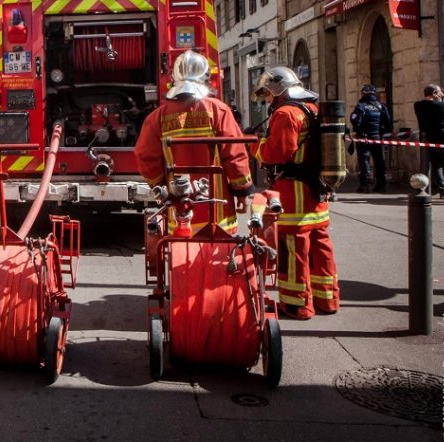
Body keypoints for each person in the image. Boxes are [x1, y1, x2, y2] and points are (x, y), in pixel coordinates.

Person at [252, 66, 338, 320]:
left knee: (293, 249)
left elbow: (277, 153)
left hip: (294, 193)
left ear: (278, 90)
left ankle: (296, 305)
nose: (268, 100)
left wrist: (258, 147)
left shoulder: (286, 113)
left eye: (268, 94)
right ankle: (328, 299)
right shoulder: (313, 109)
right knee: (321, 246)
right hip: (317, 192)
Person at [135, 50, 253, 235]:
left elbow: (145, 156)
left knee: (181, 256)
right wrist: (242, 191)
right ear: (205, 77)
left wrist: (162, 186)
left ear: (174, 78)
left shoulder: (157, 117)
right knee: (218, 260)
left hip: (180, 212)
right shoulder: (219, 110)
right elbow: (234, 153)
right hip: (218, 214)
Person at [413, 84, 444, 200]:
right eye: (439, 92)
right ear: (435, 93)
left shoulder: (417, 105)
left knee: (437, 165)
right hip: (441, 139)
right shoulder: (440, 105)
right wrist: (442, 100)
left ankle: (443, 190)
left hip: (426, 138)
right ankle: (441, 189)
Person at [350, 84, 392, 193]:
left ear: (363, 93)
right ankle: (381, 184)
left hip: (363, 137)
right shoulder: (381, 106)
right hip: (377, 137)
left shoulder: (361, 106)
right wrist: (381, 132)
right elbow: (388, 122)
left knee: (364, 160)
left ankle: (365, 184)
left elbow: (354, 119)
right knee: (379, 160)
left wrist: (358, 131)